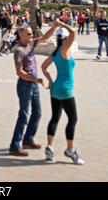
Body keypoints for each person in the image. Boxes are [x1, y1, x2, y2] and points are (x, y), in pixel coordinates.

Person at [9, 22, 58, 157]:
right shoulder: (19, 51)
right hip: (25, 85)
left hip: (34, 85)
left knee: (37, 112)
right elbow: (19, 72)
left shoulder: (31, 43)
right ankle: (14, 145)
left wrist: (54, 27)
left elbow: (44, 38)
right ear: (22, 35)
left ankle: (28, 139)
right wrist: (35, 79)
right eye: (29, 34)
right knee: (24, 115)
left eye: (32, 33)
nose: (32, 35)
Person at [41, 20, 84, 165]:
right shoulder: (65, 49)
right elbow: (74, 32)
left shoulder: (55, 53)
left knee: (55, 118)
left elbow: (43, 67)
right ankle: (70, 150)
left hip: (55, 90)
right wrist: (61, 24)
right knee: (73, 119)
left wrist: (51, 81)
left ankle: (49, 148)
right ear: (65, 39)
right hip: (65, 90)